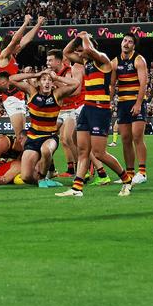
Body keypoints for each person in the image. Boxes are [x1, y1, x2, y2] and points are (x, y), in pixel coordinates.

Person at [56, 32, 132, 198]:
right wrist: (77, 38)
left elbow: (89, 49)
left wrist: (85, 37)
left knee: (99, 153)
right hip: (87, 109)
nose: (78, 52)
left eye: (81, 49)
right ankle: (77, 189)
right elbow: (66, 52)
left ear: (90, 48)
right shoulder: (85, 61)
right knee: (83, 151)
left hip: (100, 110)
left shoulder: (103, 59)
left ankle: (126, 180)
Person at [9, 69, 80, 185]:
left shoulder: (57, 94)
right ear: (38, 82)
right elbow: (11, 79)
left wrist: (56, 77)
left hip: (49, 137)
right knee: (26, 177)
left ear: (52, 84)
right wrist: (35, 74)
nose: (47, 82)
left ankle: (43, 178)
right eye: (43, 79)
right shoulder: (32, 92)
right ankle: (41, 181)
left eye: (49, 80)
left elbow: (76, 84)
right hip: (32, 139)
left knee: (46, 150)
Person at [0, 15, 45, 136]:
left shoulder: (12, 56)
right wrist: (25, 22)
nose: (19, 46)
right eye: (17, 45)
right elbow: (15, 40)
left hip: (18, 96)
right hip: (11, 98)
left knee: (22, 135)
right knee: (20, 136)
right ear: (10, 45)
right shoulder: (4, 56)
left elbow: (26, 39)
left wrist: (38, 24)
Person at [111, 33, 149, 185]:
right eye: (124, 40)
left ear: (134, 46)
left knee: (137, 136)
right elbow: (112, 85)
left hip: (136, 101)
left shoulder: (139, 60)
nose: (126, 43)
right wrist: (107, 101)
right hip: (122, 104)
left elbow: (143, 84)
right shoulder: (115, 62)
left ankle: (142, 172)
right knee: (125, 138)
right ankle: (129, 174)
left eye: (130, 42)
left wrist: (139, 104)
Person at [46, 49, 80, 177]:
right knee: (47, 135)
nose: (48, 62)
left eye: (50, 60)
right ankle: (52, 169)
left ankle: (80, 170)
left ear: (59, 61)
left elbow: (74, 90)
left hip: (72, 108)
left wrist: (57, 83)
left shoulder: (69, 71)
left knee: (68, 138)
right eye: (47, 60)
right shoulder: (50, 73)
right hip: (60, 110)